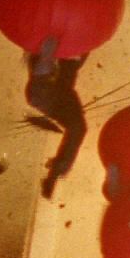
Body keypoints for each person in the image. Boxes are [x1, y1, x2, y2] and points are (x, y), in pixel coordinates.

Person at [23, 36, 87, 199]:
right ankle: (45, 68)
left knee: (77, 127)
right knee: (77, 128)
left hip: (53, 92)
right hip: (52, 91)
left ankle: (45, 68)